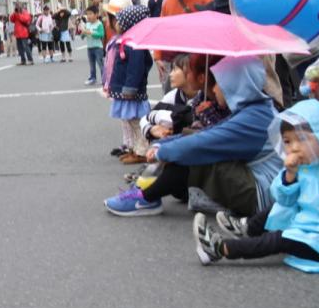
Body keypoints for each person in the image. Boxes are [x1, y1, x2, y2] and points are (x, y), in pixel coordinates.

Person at [106, 56, 283, 218]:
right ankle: (146, 192)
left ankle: (145, 198)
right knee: (192, 146)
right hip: (263, 186)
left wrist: (162, 151)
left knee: (198, 155)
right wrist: (164, 144)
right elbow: (207, 133)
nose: (214, 88)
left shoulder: (254, 117)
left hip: (262, 197)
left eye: (219, 83)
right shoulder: (256, 109)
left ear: (234, 84)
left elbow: (205, 142)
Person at [194, 100, 319, 270]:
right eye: (287, 141)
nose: (293, 148)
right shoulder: (300, 168)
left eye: (301, 139)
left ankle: (220, 248)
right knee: (278, 209)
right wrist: (290, 175)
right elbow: (282, 199)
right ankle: (248, 227)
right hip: (304, 227)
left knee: (279, 240)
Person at [106, 6, 153, 168]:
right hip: (125, 90)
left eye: (119, 21)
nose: (116, 24)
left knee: (136, 122)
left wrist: (130, 88)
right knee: (131, 122)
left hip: (131, 92)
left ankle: (142, 151)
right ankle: (135, 148)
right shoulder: (128, 40)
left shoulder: (134, 44)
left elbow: (136, 68)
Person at [79, 6, 105, 85]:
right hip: (89, 48)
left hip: (98, 48)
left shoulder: (99, 24)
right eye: (87, 14)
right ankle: (93, 78)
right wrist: (83, 33)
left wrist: (91, 33)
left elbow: (101, 34)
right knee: (92, 64)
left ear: (96, 14)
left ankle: (104, 79)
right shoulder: (87, 24)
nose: (88, 16)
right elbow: (82, 37)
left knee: (100, 64)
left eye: (90, 14)